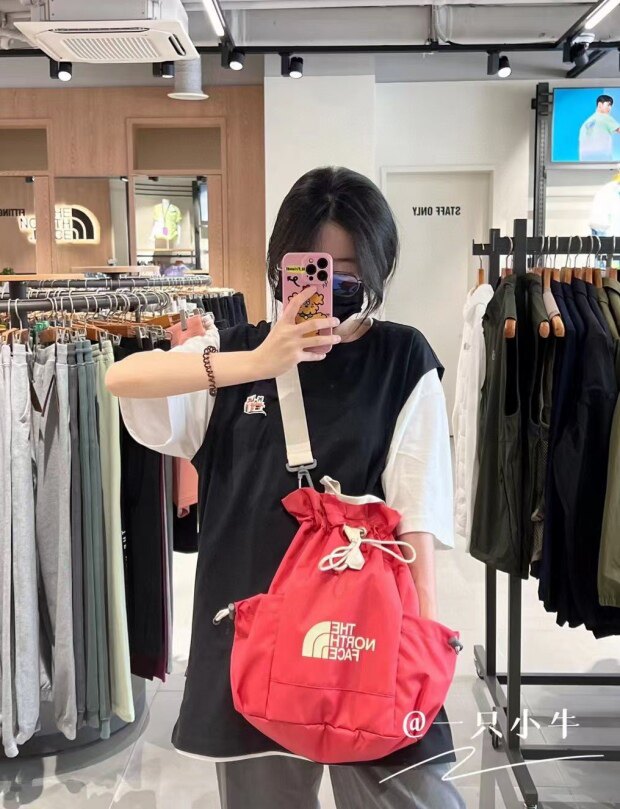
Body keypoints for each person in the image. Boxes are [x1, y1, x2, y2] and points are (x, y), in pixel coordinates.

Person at [106, 166, 465, 809]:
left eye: (350, 272)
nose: (330, 286)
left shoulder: (401, 358)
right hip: (256, 647)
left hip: (368, 640)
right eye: (314, 267)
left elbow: (418, 514)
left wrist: (426, 649)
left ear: (377, 271)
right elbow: (122, 380)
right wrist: (259, 361)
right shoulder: (231, 356)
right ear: (280, 268)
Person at [579, 94, 620, 162]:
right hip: (603, 161)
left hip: (585, 163)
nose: (610, 108)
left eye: (611, 106)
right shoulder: (605, 117)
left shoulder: (586, 123)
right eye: (608, 105)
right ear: (600, 105)